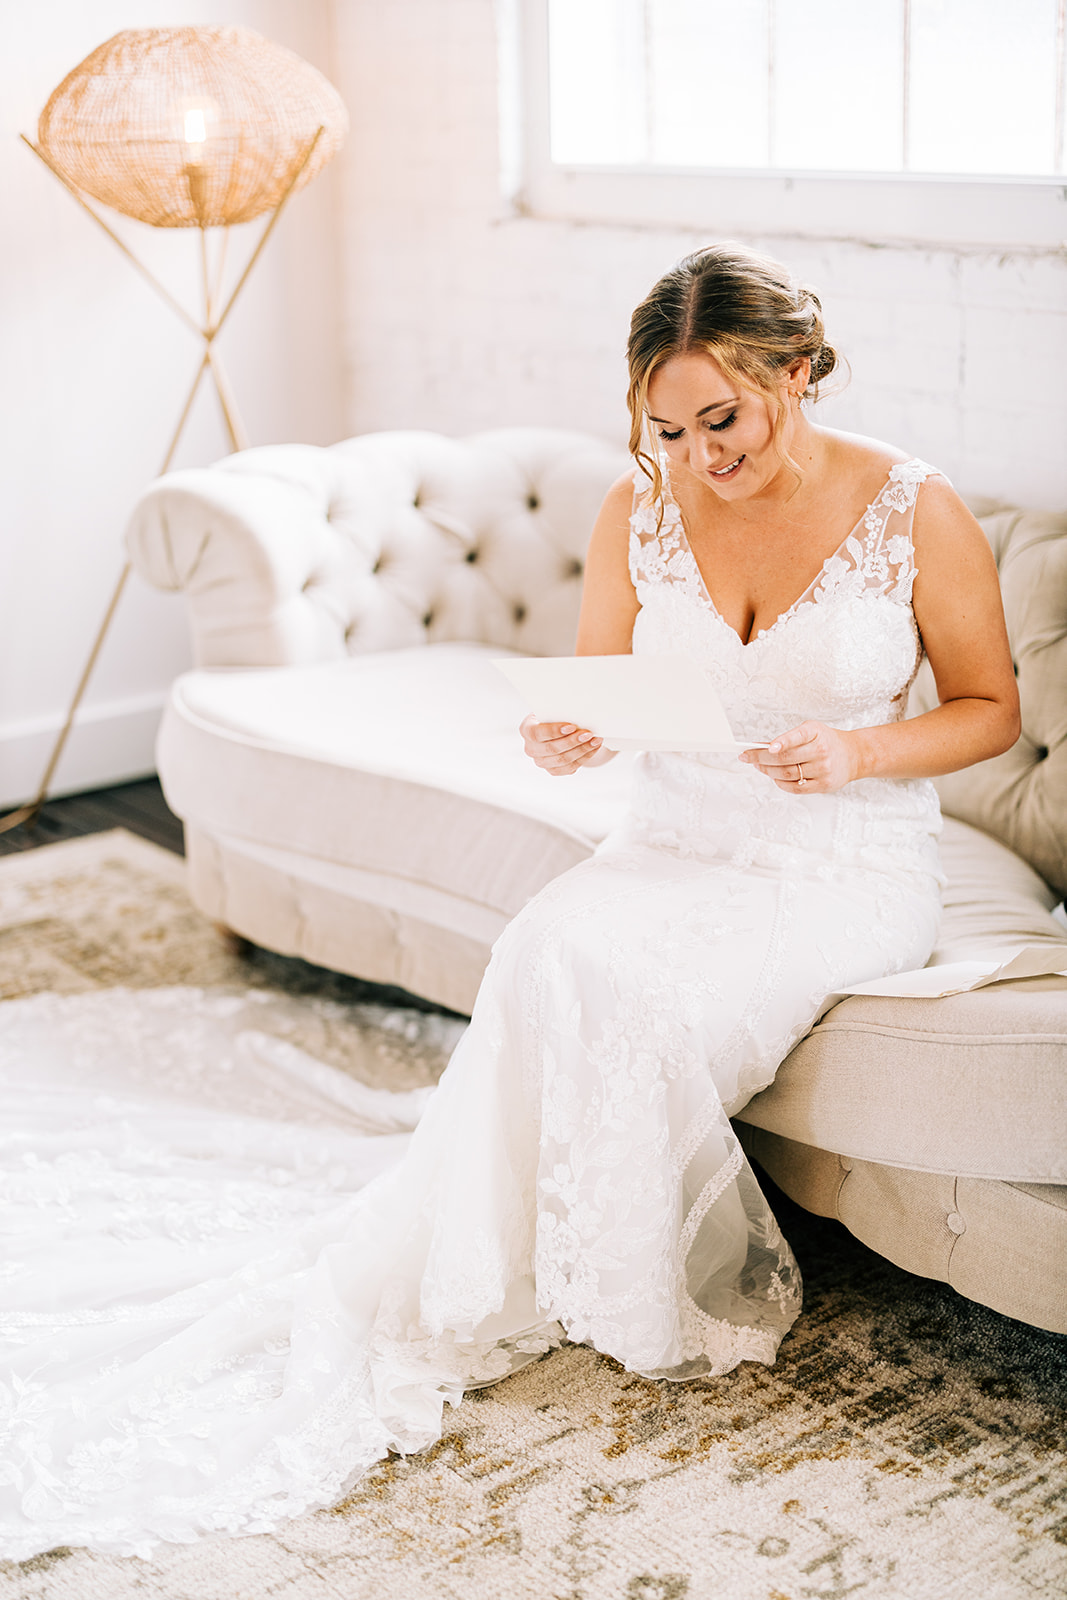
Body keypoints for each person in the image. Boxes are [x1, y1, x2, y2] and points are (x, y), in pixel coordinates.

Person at [0, 244, 1019, 1560]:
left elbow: (988, 712)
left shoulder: (910, 508)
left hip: (841, 859)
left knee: (646, 996)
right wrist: (576, 737)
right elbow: (596, 689)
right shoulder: (638, 506)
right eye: (668, 425)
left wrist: (860, 751)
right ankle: (506, 1246)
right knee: (546, 949)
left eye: (727, 418)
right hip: (680, 828)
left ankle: (625, 1281)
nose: (701, 454)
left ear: (802, 372)